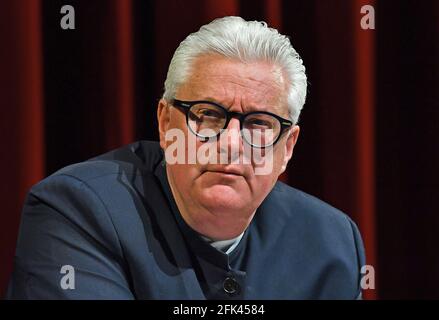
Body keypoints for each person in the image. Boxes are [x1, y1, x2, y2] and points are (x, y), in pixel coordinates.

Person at [6, 16, 365, 299]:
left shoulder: (329, 243)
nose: (230, 143)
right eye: (208, 114)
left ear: (287, 148)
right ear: (165, 123)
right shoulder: (77, 211)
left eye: (259, 123)